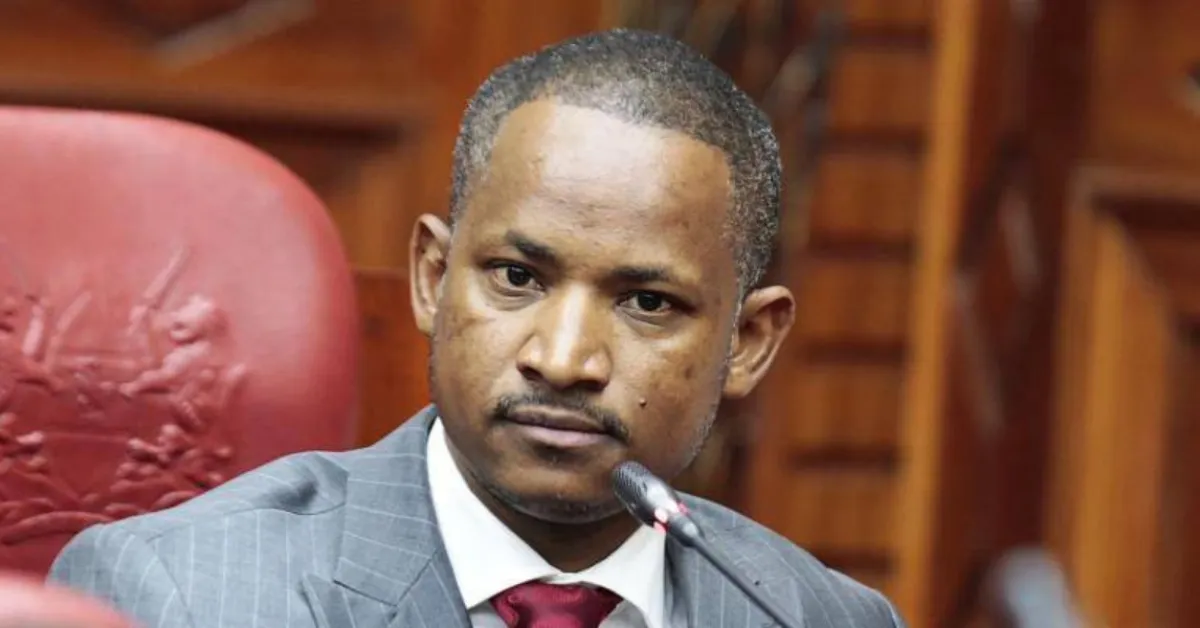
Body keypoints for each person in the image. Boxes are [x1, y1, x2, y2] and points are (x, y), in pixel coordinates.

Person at [47, 28, 905, 628]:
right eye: (517, 278)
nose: (563, 360)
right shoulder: (181, 596)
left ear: (748, 344)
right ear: (433, 278)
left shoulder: (818, 618)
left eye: (647, 302)